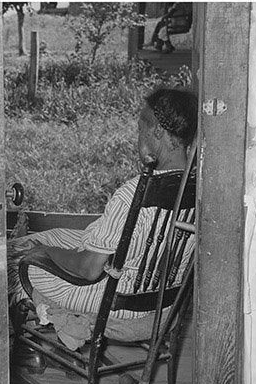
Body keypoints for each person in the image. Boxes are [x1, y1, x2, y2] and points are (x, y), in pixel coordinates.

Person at [10, 86, 197, 350]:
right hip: (162, 294)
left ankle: (17, 342)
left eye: (141, 128)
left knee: (18, 262)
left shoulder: (133, 195)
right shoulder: (198, 185)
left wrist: (47, 252)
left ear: (157, 132)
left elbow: (88, 270)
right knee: (39, 238)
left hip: (118, 300)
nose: (138, 136)